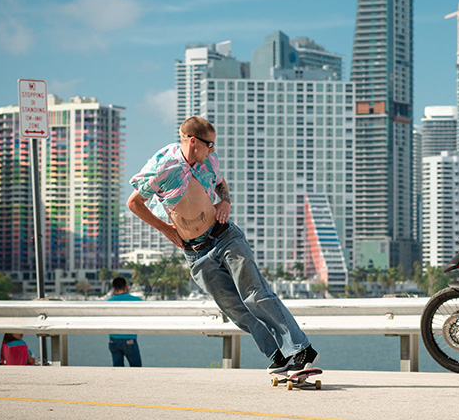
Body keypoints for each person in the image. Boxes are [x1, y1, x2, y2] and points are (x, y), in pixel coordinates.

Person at [127, 116, 317, 374]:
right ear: (193, 141)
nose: (213, 150)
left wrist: (225, 201)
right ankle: (278, 353)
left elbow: (219, 183)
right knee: (234, 308)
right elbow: (134, 203)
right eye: (209, 145)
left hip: (225, 237)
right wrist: (167, 230)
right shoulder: (164, 165)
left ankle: (300, 349)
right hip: (195, 253)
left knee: (255, 294)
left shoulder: (209, 161)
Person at [107, 277, 143, 367]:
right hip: (129, 339)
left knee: (118, 369)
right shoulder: (137, 300)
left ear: (113, 289)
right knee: (137, 368)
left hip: (113, 340)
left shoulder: (108, 302)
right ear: (126, 287)